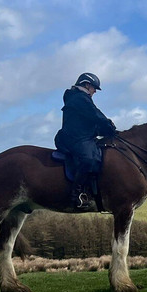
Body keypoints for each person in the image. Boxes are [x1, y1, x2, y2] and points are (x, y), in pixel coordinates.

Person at [54, 72, 118, 210]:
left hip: (81, 136)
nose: (95, 91)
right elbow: (95, 115)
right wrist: (109, 126)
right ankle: (76, 194)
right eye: (94, 88)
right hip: (74, 138)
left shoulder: (79, 98)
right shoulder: (80, 98)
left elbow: (90, 121)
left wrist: (105, 130)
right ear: (87, 85)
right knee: (90, 159)